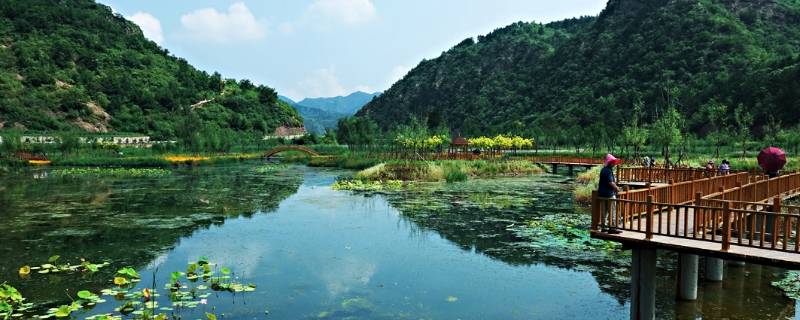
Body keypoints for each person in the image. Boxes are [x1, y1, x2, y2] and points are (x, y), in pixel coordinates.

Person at [599, 154, 622, 234]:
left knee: (604, 211)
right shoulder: (608, 170)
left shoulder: (603, 170)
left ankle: (603, 227)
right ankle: (612, 228)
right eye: (613, 162)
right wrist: (617, 188)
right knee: (612, 210)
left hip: (602, 194)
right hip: (609, 194)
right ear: (610, 162)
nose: (614, 163)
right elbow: (610, 182)